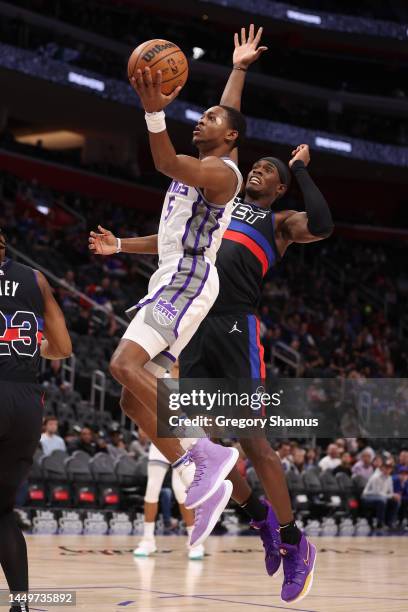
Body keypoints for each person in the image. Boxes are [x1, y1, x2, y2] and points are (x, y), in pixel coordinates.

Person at [90, 26, 332, 603]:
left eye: (270, 172)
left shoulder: (273, 221)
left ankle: (296, 539)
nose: (260, 174)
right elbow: (225, 119)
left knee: (253, 441)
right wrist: (239, 66)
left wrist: (299, 171)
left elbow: (317, 221)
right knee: (150, 408)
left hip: (230, 322)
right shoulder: (227, 190)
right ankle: (257, 518)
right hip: (191, 317)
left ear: (277, 183)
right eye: (260, 168)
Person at [91, 41, 245, 531]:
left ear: (231, 137)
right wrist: (120, 246)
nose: (201, 120)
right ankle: (198, 475)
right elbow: (168, 239)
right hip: (173, 276)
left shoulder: (221, 172)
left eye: (212, 119)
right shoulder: (199, 172)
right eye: (199, 115)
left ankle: (203, 451)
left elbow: (166, 162)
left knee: (122, 364)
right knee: (132, 398)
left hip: (188, 280)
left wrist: (155, 115)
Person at [0, 227, 72, 612]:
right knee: (3, 511)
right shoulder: (36, 278)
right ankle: (21, 604)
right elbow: (62, 347)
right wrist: (33, 347)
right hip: (26, 405)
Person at [134, 442, 204, 560]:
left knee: (181, 490)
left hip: (182, 439)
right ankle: (147, 540)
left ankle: (195, 541)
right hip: (158, 437)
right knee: (152, 487)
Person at [362, 461, 401, 530]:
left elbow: (390, 492)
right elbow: (376, 492)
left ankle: (390, 523)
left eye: (389, 468)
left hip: (381, 497)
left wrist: (394, 495)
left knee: (395, 501)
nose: (387, 470)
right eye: (386, 468)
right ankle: (380, 524)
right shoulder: (376, 477)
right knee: (381, 500)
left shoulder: (389, 478)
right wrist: (391, 496)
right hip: (367, 497)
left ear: (391, 469)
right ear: (382, 468)